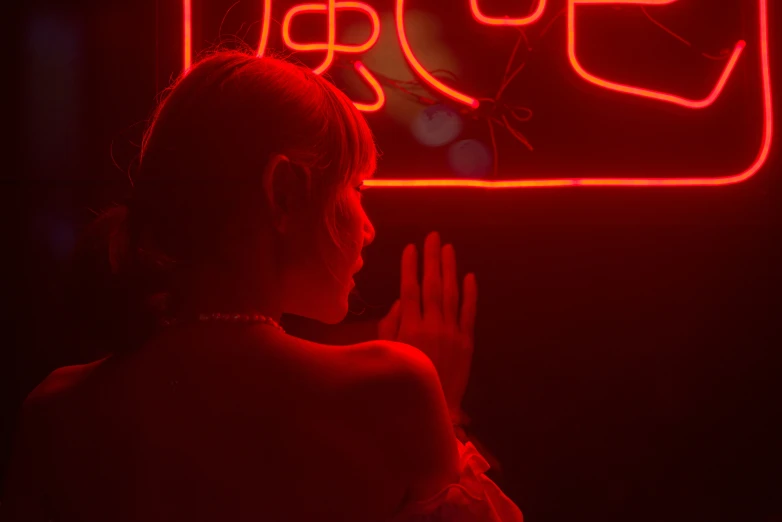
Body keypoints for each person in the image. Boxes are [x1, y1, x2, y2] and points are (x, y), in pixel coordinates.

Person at [1, 50, 523, 521]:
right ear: (285, 192)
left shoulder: (55, 407)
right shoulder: (392, 386)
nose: (368, 227)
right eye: (355, 188)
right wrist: (446, 413)